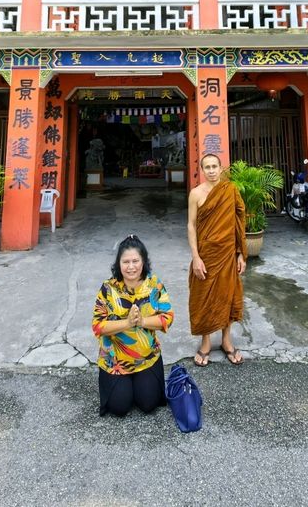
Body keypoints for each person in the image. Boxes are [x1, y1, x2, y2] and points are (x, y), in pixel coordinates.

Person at [92, 234, 174, 416]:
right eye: (126, 262)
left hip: (146, 357)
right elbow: (98, 326)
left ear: (143, 261)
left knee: (148, 405)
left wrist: (143, 321)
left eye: (135, 261)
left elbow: (167, 317)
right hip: (115, 360)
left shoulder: (154, 285)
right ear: (118, 264)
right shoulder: (108, 288)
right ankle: (126, 387)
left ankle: (137, 385)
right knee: (119, 408)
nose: (131, 267)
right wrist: (127, 323)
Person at [187, 154, 247, 366]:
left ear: (221, 169)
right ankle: (205, 342)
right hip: (205, 255)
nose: (211, 170)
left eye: (214, 166)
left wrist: (241, 252)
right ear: (202, 170)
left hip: (228, 253)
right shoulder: (195, 194)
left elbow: (240, 220)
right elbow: (191, 226)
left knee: (227, 296)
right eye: (207, 167)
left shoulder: (230, 191)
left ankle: (226, 341)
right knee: (202, 297)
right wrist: (196, 257)